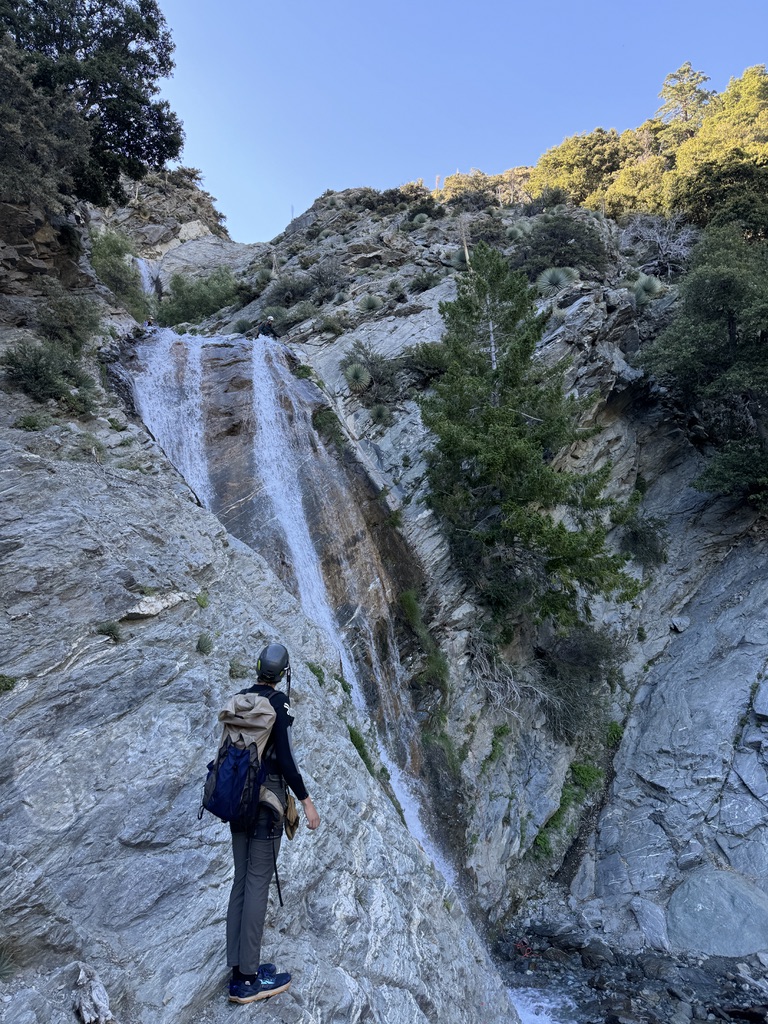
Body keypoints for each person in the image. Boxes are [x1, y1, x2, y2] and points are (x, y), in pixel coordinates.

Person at [226, 643, 320, 1004]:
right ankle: (247, 979)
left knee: (241, 881)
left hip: (236, 801)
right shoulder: (277, 704)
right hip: (267, 806)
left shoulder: (240, 700)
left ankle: (238, 965)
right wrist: (308, 804)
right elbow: (286, 759)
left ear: (258, 667)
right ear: (283, 673)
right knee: (258, 884)